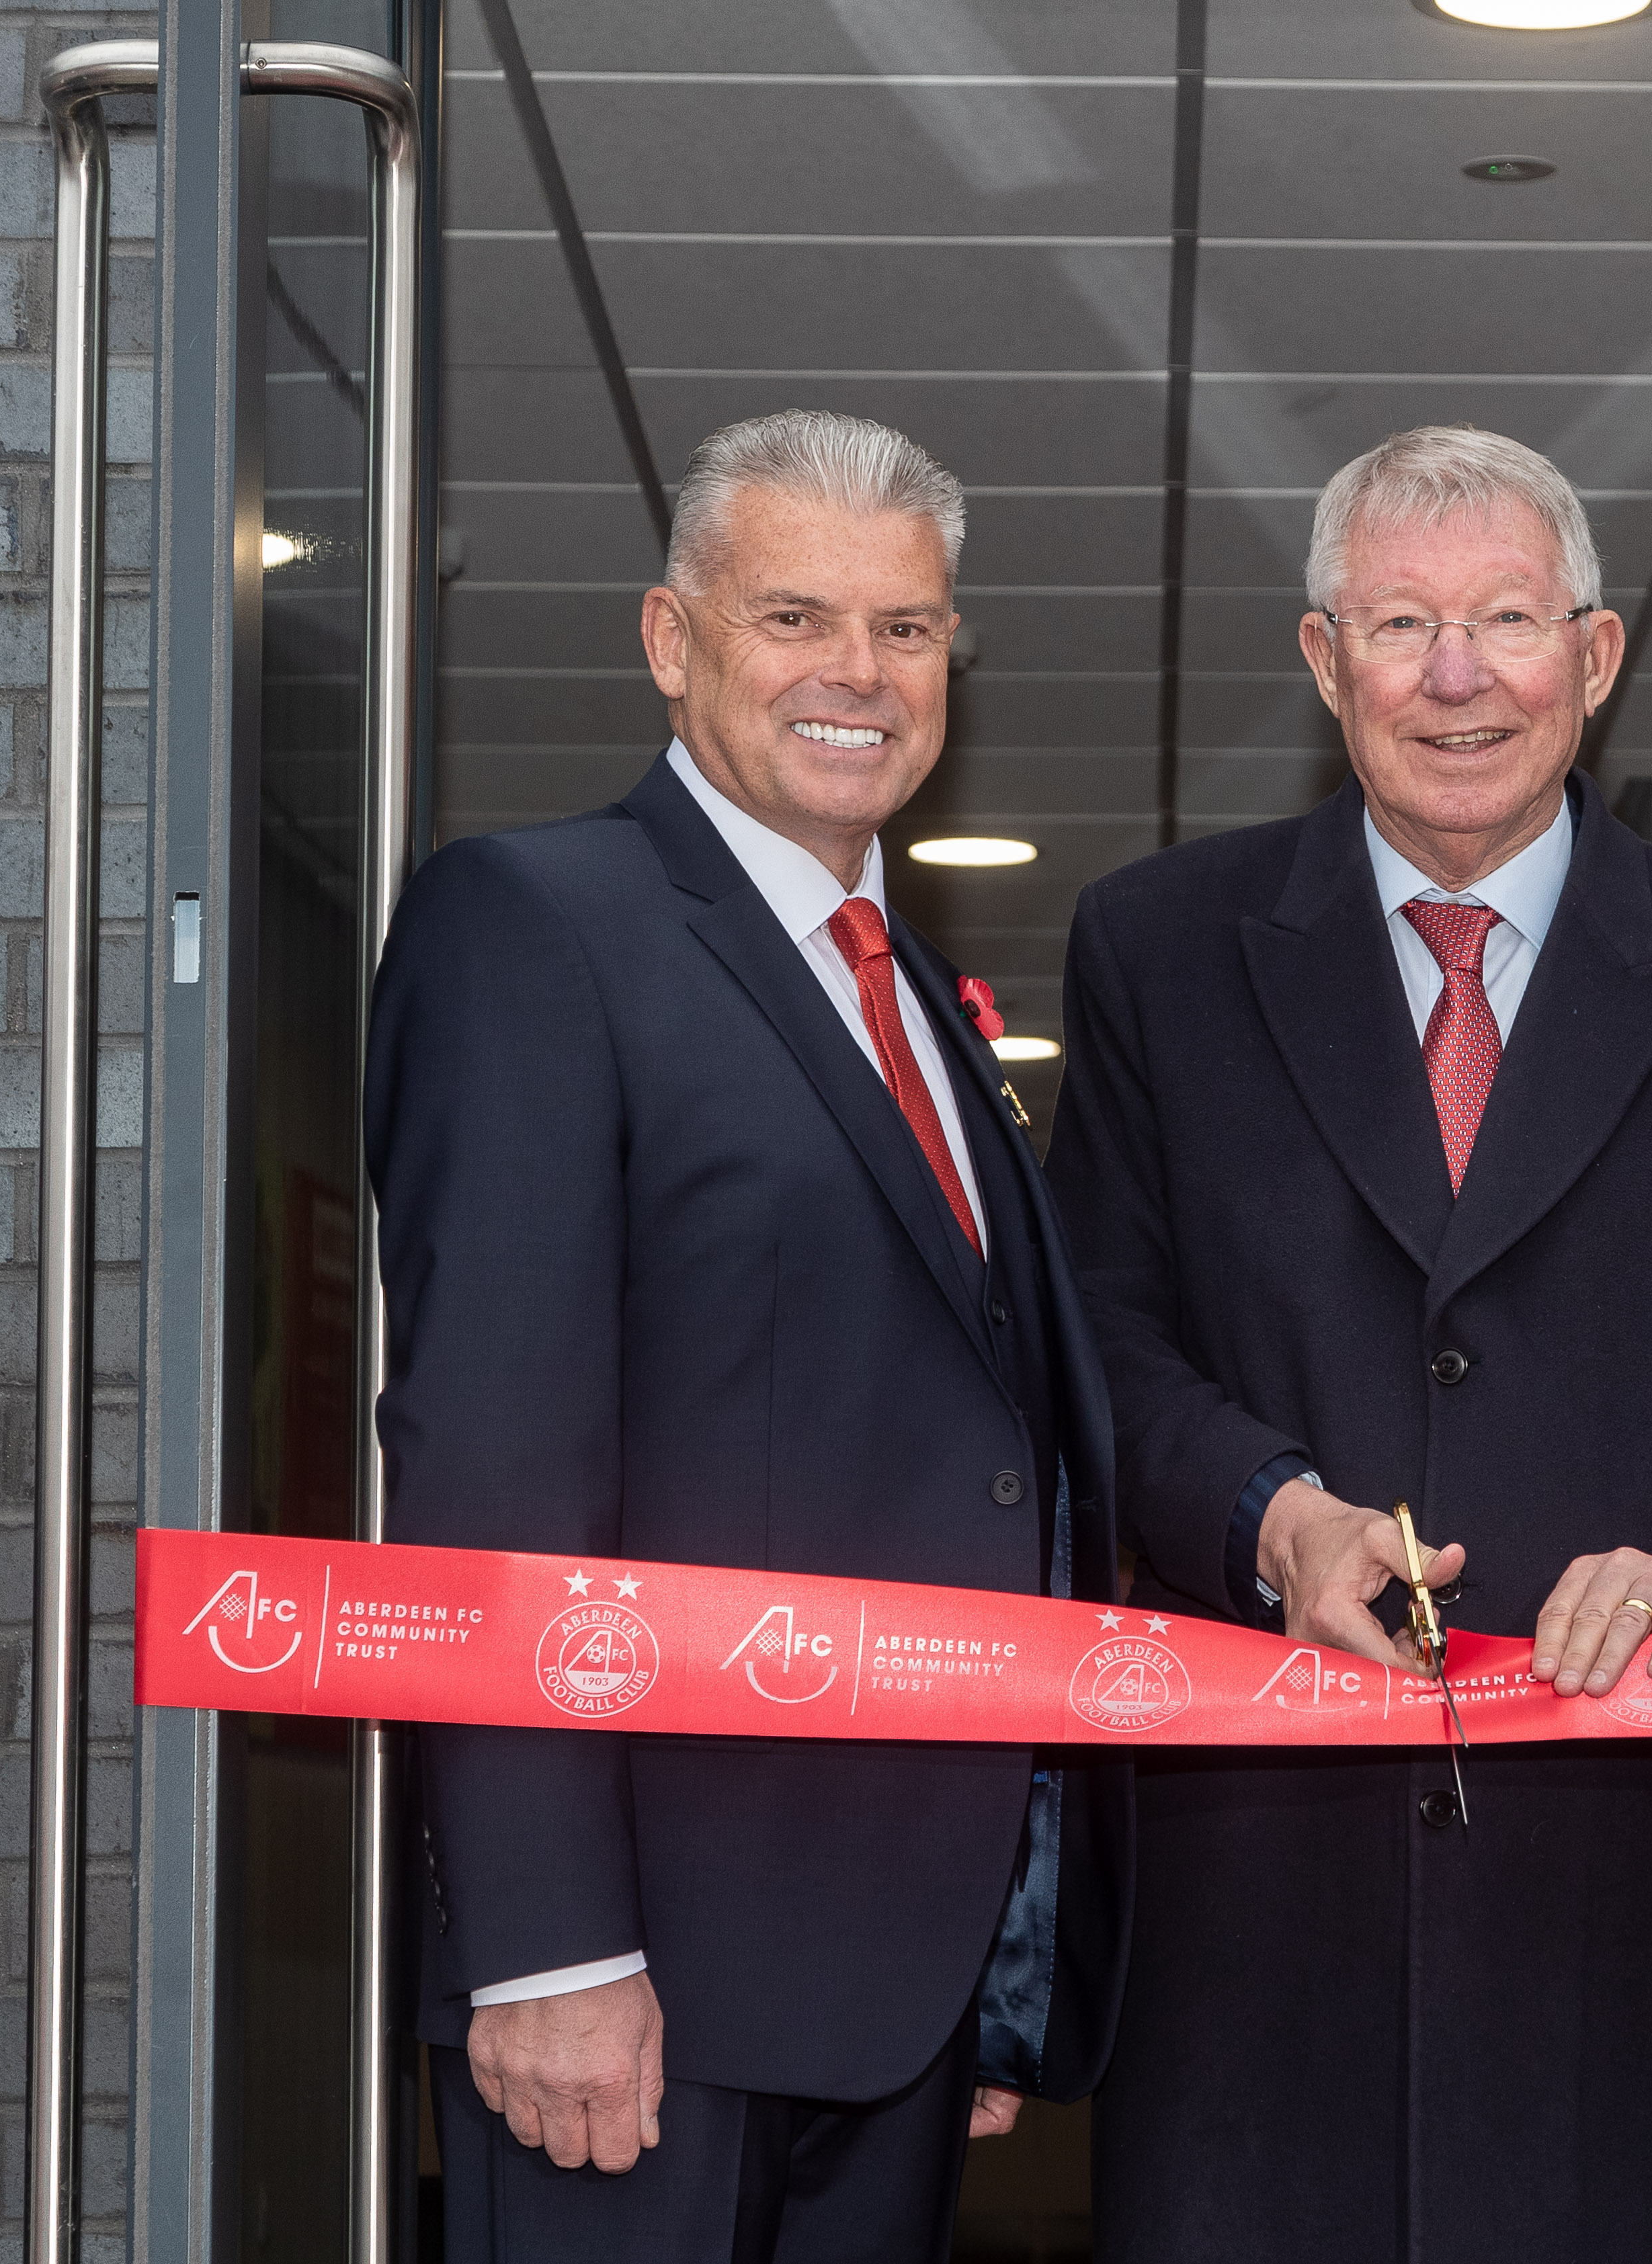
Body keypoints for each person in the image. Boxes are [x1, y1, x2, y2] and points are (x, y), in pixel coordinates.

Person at [1047, 425, 1652, 2261]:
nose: (1454, 676)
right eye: (1403, 624)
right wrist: (1270, 1515)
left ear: (1591, 659)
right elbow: (1092, 1332)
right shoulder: (1153, 951)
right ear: (1321, 659)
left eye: (1505, 619)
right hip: (1256, 1891)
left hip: (1638, 1866)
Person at [368, 409, 1129, 2261]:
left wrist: (993, 1935)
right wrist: (549, 1942)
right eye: (793, 616)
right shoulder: (539, 925)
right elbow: (493, 1457)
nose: (857, 674)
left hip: (894, 1986)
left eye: (909, 628)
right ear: (669, 638)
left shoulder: (929, 1007)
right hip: (642, 1983)